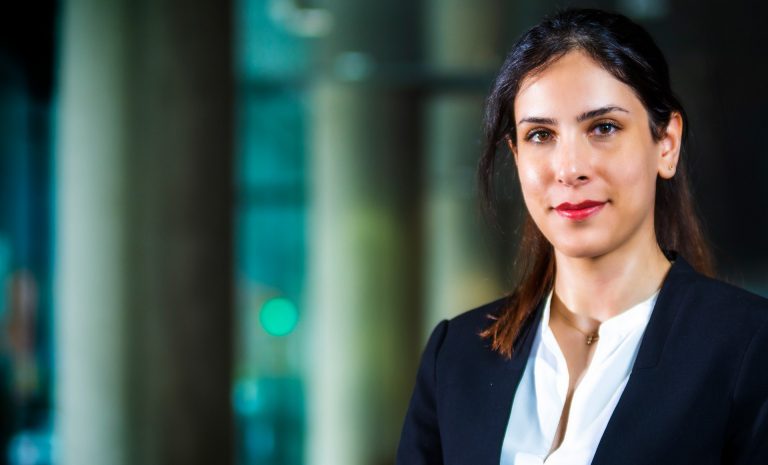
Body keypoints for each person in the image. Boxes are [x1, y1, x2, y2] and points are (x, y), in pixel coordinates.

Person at [396, 8, 768, 465]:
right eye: (540, 135)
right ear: (515, 155)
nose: (569, 168)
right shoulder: (456, 356)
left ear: (666, 143)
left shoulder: (749, 347)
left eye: (603, 128)